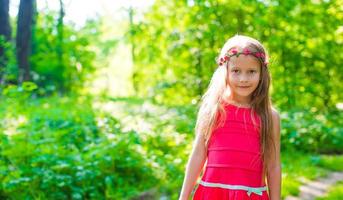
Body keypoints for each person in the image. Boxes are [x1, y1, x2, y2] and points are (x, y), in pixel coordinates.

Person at [178, 35, 281, 200]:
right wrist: (183, 197)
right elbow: (198, 155)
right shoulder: (213, 110)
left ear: (262, 73)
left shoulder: (269, 117)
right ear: (224, 71)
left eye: (251, 72)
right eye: (236, 71)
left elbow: (273, 165)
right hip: (212, 194)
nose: (243, 79)